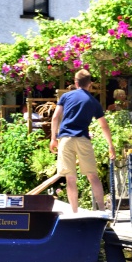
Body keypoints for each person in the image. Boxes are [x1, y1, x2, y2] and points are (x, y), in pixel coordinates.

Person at [50, 69, 115, 213]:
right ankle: (102, 210)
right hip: (83, 140)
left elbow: (55, 117)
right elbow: (104, 125)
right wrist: (110, 145)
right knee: (93, 176)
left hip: (65, 140)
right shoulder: (93, 102)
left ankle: (74, 212)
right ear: (90, 84)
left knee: (70, 178)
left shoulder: (66, 96)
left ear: (75, 82)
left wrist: (53, 138)